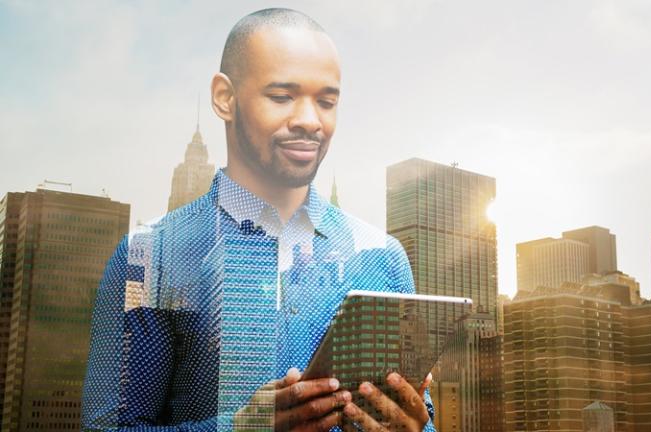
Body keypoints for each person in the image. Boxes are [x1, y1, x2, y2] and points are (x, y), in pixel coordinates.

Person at [82, 8, 435, 432]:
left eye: (326, 101)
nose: (310, 120)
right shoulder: (150, 255)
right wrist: (239, 428)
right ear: (224, 98)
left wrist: (415, 428)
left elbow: (421, 417)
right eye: (282, 96)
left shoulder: (384, 259)